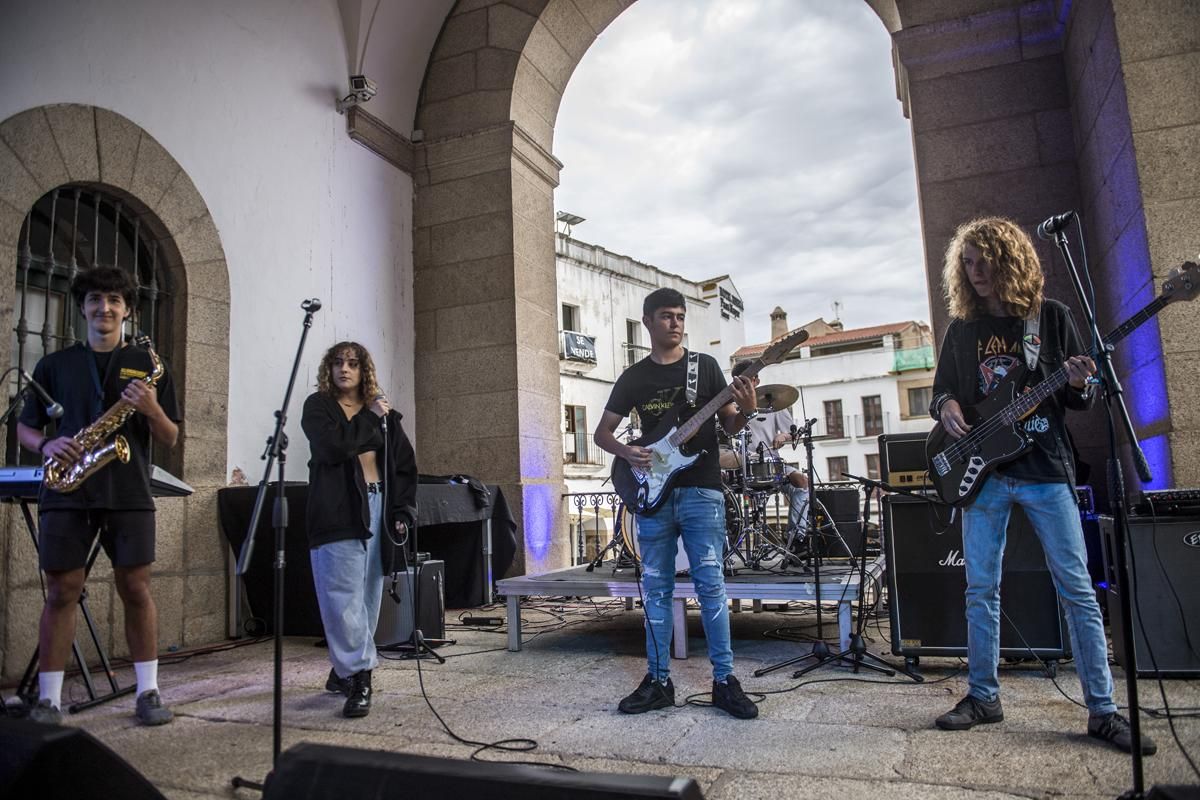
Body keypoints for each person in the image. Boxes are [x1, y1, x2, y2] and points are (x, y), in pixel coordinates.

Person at [930, 217, 1154, 755]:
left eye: (985, 259)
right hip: (983, 474)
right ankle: (983, 696)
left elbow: (1082, 398)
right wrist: (951, 407)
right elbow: (943, 393)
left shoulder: (1050, 319)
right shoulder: (963, 330)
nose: (976, 271)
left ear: (1009, 260)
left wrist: (1082, 381)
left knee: (1077, 590)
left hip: (1045, 469)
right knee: (980, 589)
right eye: (968, 262)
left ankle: (1102, 709)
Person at [17, 266, 181, 726]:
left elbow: (169, 437)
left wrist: (150, 408)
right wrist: (46, 444)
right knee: (61, 591)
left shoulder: (148, 367)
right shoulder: (53, 365)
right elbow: (26, 426)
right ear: (83, 308)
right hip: (67, 487)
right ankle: (49, 698)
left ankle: (148, 692)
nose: (103, 308)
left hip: (127, 489)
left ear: (127, 309)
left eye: (113, 300)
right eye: (94, 300)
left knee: (135, 588)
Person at [595, 287, 760, 719]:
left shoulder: (703, 368)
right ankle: (657, 680)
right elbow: (602, 433)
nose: (676, 322)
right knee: (655, 588)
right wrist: (627, 452)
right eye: (666, 316)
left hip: (702, 488)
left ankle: (724, 681)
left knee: (711, 585)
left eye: (681, 316)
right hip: (652, 491)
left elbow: (729, 424)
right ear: (648, 322)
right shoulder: (633, 377)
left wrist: (746, 409)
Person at [301, 341, 417, 718]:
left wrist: (401, 509)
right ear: (329, 369)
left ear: (364, 369)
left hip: (377, 505)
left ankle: (343, 671)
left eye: (352, 363)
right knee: (340, 597)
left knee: (367, 597)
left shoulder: (384, 415)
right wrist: (368, 415)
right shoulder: (318, 408)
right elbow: (334, 448)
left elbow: (402, 465)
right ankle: (361, 676)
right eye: (337, 363)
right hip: (338, 509)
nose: (344, 370)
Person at [729, 361, 810, 538]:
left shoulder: (771, 401)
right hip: (738, 467)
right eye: (747, 379)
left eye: (754, 377)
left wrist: (784, 436)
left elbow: (794, 432)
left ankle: (796, 538)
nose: (753, 381)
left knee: (802, 482)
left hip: (771, 464)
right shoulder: (728, 406)